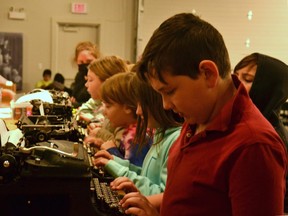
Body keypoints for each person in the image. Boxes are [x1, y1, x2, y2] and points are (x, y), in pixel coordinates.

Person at [118, 13, 287, 216]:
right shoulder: (197, 118)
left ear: (208, 73)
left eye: (169, 91)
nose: (165, 105)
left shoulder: (253, 145)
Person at [93, 72, 181, 196]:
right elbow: (145, 175)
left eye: (142, 104)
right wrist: (115, 161)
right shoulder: (160, 134)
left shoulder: (175, 140)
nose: (138, 111)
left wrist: (118, 169)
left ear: (156, 103)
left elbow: (164, 194)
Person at [233, 52, 288, 212]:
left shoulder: (265, 139)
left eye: (248, 79)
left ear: (267, 89)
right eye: (236, 75)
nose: (236, 83)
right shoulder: (242, 123)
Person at [91, 72, 152, 166]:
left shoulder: (135, 136)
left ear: (127, 107)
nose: (104, 112)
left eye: (108, 106)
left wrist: (111, 150)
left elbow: (132, 172)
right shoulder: (128, 131)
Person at [70, 41, 101, 108]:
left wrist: (76, 104)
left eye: (89, 61)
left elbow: (98, 103)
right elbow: (74, 96)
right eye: (81, 62)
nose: (85, 65)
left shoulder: (101, 78)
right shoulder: (79, 76)